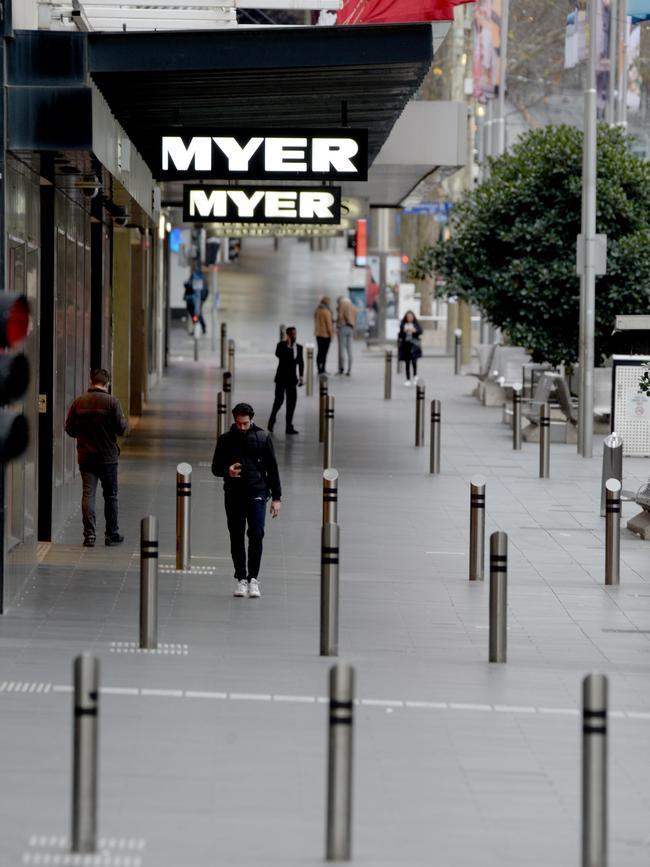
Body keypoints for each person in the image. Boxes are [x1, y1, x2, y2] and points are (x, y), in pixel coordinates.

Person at [211, 402, 282, 598]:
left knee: (256, 533)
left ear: (252, 419)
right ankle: (241, 578)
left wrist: (277, 498)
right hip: (233, 493)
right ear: (234, 420)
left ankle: (254, 579)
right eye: (238, 423)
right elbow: (215, 467)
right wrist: (228, 470)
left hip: (257, 491)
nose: (242, 427)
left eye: (245, 423)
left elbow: (273, 468)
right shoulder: (225, 439)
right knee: (236, 535)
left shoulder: (263, 437)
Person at [64, 368, 128, 547]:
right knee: (111, 495)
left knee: (88, 494)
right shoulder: (112, 402)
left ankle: (89, 535)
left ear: (91, 381)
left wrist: (83, 434)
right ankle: (111, 534)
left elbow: (69, 429)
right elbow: (122, 429)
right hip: (108, 458)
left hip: (86, 457)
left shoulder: (79, 402)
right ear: (107, 383)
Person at [267, 326, 304, 435]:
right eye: (292, 334)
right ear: (287, 335)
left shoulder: (299, 348)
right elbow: (279, 355)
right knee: (279, 400)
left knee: (291, 403)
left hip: (292, 380)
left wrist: (301, 377)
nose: (294, 336)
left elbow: (301, 362)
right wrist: (287, 345)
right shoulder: (281, 346)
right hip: (281, 378)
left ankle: (289, 426)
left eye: (295, 334)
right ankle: (272, 419)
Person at [398, 310, 423, 386]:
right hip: (406, 346)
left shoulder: (416, 324)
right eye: (408, 317)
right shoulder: (403, 324)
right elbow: (400, 335)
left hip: (414, 345)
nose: (409, 318)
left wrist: (414, 331)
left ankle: (415, 376)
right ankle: (408, 379)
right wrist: (404, 331)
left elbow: (421, 331)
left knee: (414, 361)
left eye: (410, 317)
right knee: (407, 363)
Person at [183, 268, 208, 335]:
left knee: (195, 315)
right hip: (196, 300)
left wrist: (187, 285)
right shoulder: (202, 279)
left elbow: (189, 286)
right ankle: (200, 327)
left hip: (193, 301)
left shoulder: (194, 277)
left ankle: (199, 327)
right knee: (197, 314)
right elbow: (206, 290)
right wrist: (203, 299)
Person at [336, 295, 357, 376]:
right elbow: (355, 318)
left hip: (343, 327)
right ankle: (349, 369)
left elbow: (340, 316)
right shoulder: (353, 306)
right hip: (351, 328)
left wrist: (337, 326)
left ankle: (341, 369)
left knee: (341, 349)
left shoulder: (342, 304)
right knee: (349, 349)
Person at [314, 296, 334, 374]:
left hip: (318, 334)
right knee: (324, 353)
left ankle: (319, 368)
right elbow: (329, 325)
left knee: (319, 352)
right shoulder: (327, 311)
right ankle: (323, 369)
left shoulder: (317, 310)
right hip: (325, 335)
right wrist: (331, 335)